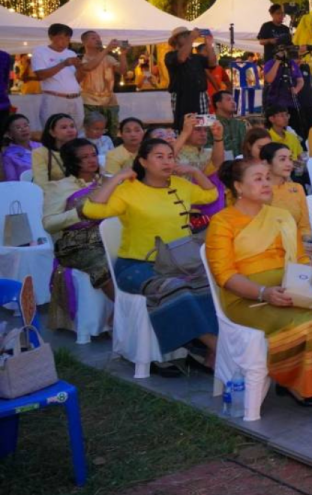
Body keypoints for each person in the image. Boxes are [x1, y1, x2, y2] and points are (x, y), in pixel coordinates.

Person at [206, 158, 312, 405]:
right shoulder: (222, 222)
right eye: (257, 179)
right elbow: (224, 275)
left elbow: (300, 258)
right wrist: (264, 293)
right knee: (300, 322)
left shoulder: (281, 216)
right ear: (238, 186)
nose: (266, 183)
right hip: (246, 298)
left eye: (267, 178)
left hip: (291, 287)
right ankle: (293, 382)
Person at [82, 138, 220, 366]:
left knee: (210, 284)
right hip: (137, 265)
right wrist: (116, 178)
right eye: (159, 156)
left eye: (170, 156)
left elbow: (211, 195)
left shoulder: (181, 184)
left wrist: (195, 172)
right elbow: (91, 210)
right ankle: (217, 347)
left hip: (179, 263)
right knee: (175, 289)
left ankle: (206, 353)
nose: (167, 161)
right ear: (143, 162)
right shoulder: (128, 190)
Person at [42, 139, 115, 335]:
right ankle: (126, 311)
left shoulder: (108, 181)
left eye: (93, 154)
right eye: (84, 157)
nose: (92, 160)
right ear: (72, 161)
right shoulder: (59, 187)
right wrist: (80, 213)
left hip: (109, 236)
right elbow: (48, 224)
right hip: (76, 244)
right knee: (102, 262)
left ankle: (120, 314)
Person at [259, 142, 312, 245]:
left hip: (300, 245)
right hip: (272, 249)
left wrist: (306, 242)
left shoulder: (297, 188)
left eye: (290, 158)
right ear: (266, 163)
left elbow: (305, 225)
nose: (289, 164)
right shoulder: (258, 191)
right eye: (282, 159)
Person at [32, 23, 85, 126]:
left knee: (75, 131)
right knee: (53, 130)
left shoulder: (71, 53)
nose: (64, 41)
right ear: (51, 37)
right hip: (54, 99)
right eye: (61, 37)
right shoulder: (40, 51)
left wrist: (81, 69)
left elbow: (77, 80)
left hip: (76, 99)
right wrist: (64, 64)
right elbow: (41, 75)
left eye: (67, 39)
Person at [165, 27, 219, 130]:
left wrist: (209, 45)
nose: (188, 37)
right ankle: (183, 144)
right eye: (184, 35)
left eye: (188, 35)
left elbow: (212, 64)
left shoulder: (196, 58)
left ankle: (201, 145)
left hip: (200, 94)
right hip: (182, 96)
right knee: (183, 125)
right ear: (176, 40)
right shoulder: (170, 56)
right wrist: (191, 38)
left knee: (203, 126)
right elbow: (181, 58)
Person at [75, 31, 126, 137]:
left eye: (99, 38)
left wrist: (123, 54)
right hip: (89, 102)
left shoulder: (108, 58)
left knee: (111, 133)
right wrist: (107, 49)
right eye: (93, 38)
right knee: (91, 133)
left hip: (110, 101)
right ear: (84, 42)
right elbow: (89, 67)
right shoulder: (81, 58)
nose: (98, 40)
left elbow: (122, 70)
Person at [31, 112, 78, 184]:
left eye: (72, 126)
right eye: (64, 127)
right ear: (52, 133)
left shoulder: (81, 149)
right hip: (54, 192)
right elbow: (41, 183)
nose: (70, 130)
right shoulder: (40, 153)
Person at [2, 114, 41, 181]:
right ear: (9, 134)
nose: (23, 129)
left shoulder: (40, 145)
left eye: (26, 126)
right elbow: (12, 181)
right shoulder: (8, 156)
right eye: (18, 127)